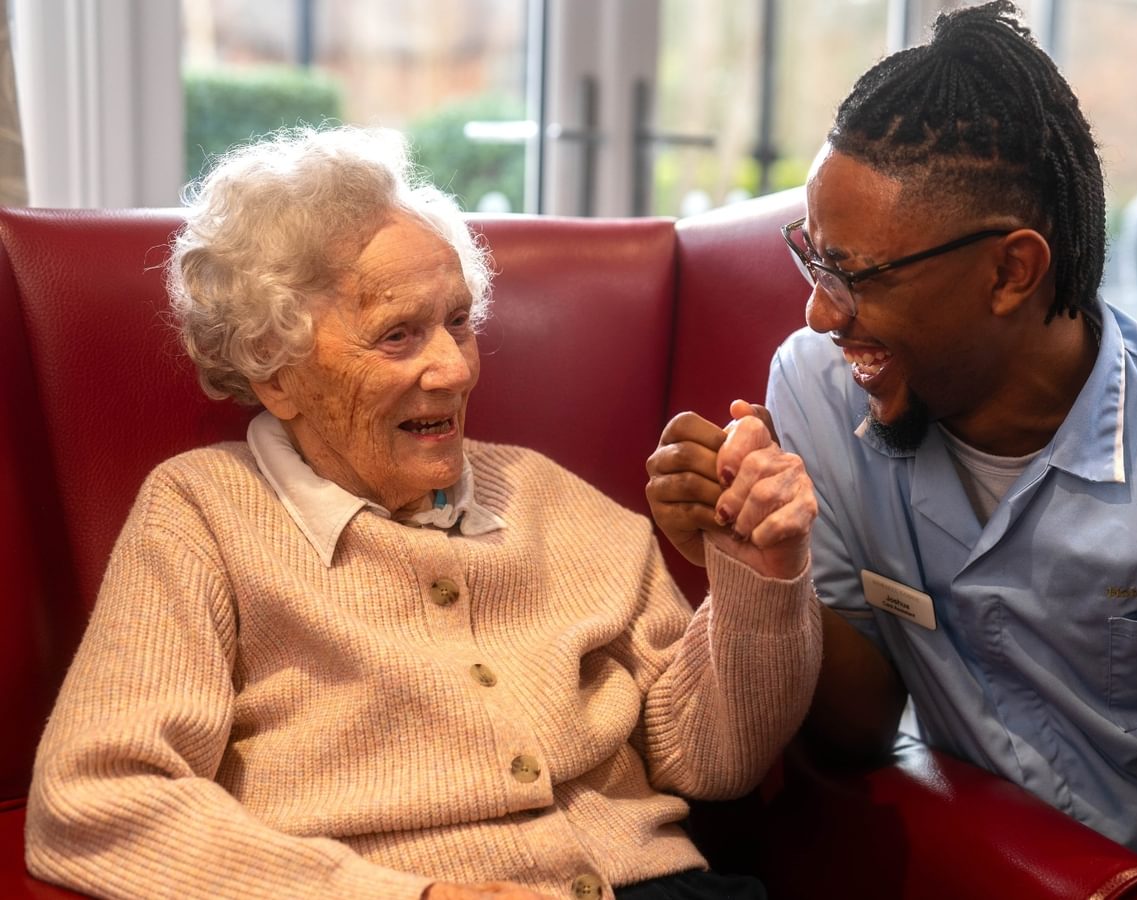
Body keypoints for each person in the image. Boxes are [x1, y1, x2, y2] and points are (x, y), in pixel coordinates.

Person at [645, 4, 1137, 898]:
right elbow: (855, 729)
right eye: (812, 261)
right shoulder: (815, 392)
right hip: (973, 852)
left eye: (855, 276)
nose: (820, 312)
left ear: (1012, 270)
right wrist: (765, 565)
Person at [26, 126, 822, 900]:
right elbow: (96, 798)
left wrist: (760, 574)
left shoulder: (548, 498)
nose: (454, 368)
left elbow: (711, 760)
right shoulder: (202, 513)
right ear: (274, 372)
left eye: (458, 322)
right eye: (397, 335)